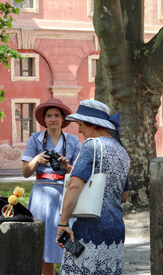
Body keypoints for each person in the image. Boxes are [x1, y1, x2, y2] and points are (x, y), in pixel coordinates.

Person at [56, 99, 130, 275]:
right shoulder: (122, 151)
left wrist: (63, 222)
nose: (80, 130)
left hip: (90, 230)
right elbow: (124, 196)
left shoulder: (92, 145)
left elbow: (74, 186)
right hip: (116, 231)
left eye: (81, 124)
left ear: (93, 124)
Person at [21, 98, 81, 275]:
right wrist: (36, 159)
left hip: (65, 193)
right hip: (42, 195)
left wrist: (66, 167)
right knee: (44, 244)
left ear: (63, 119)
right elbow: (25, 172)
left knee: (68, 241)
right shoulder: (36, 139)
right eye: (49, 116)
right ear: (44, 119)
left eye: (57, 115)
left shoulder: (73, 141)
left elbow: (79, 174)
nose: (53, 119)